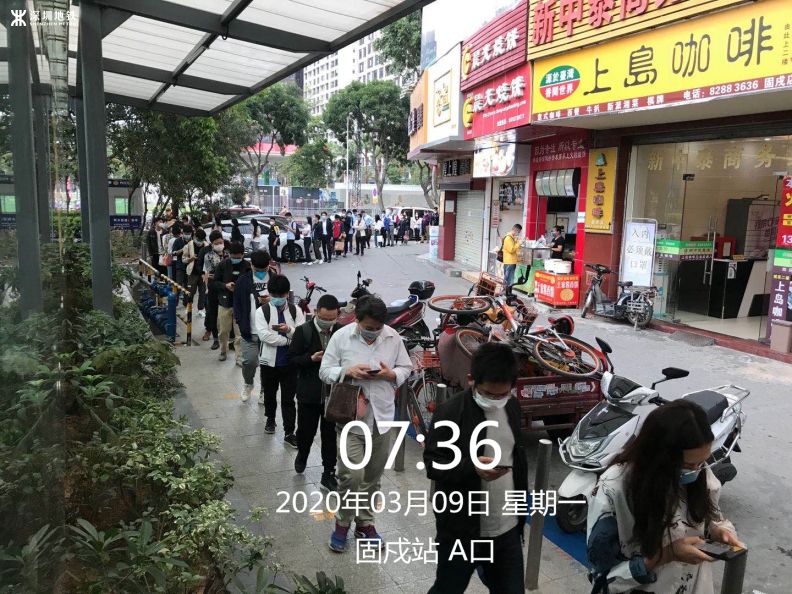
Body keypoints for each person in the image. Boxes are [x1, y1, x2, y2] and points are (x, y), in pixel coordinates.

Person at [587, 399, 742, 593]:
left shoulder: (699, 472)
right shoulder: (614, 488)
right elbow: (602, 580)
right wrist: (666, 555)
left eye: (701, 463)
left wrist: (719, 531)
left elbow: (710, 518)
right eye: (687, 465)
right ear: (658, 456)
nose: (695, 471)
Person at [424, 342, 528, 594]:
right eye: (488, 394)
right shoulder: (451, 412)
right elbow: (433, 464)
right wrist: (472, 468)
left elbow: (517, 457)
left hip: (506, 528)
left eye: (502, 394)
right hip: (461, 530)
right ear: (472, 380)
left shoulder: (512, 407)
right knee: (448, 588)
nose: (496, 401)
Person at [319, 296, 412, 553]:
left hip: (382, 418)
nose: (374, 332)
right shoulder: (341, 337)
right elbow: (324, 370)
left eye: (378, 327)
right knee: (351, 475)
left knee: (372, 477)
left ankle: (365, 524)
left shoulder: (392, 337)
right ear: (357, 320)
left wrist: (391, 374)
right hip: (351, 418)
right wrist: (347, 371)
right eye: (369, 327)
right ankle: (342, 523)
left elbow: (406, 368)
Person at [289, 293, 342, 491]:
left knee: (330, 436)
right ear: (316, 312)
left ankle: (328, 472)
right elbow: (292, 359)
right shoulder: (303, 331)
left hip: (334, 395)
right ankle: (302, 454)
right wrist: (310, 359)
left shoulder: (341, 332)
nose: (328, 322)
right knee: (306, 432)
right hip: (309, 394)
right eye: (324, 318)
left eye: (331, 319)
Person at [255, 274, 305, 444]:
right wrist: (288, 341)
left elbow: (301, 334)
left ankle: (289, 432)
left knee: (288, 399)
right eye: (274, 295)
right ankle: (270, 419)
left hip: (290, 363)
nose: (277, 298)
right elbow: (264, 336)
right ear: (270, 293)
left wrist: (288, 330)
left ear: (286, 294)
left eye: (281, 295)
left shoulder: (295, 310)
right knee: (269, 394)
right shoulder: (262, 311)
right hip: (268, 362)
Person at [234, 250, 272, 402]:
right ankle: (248, 383)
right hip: (249, 330)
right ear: (251, 265)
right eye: (258, 269)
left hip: (269, 332)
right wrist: (240, 322)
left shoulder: (275, 279)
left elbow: (284, 300)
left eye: (264, 269)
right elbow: (237, 303)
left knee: (267, 364)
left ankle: (264, 389)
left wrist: (271, 301)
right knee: (249, 361)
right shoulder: (243, 281)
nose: (261, 272)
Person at [212, 241, 250, 363]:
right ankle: (223, 351)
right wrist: (225, 286)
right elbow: (214, 283)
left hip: (241, 304)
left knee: (240, 333)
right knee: (223, 331)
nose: (235, 259)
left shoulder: (247, 266)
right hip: (225, 303)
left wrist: (241, 288)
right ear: (229, 254)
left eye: (238, 257)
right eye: (233, 257)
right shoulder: (223, 264)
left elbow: (252, 284)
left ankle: (239, 356)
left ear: (243, 254)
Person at [202, 230, 226, 348]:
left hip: (227, 287)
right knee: (213, 312)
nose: (219, 245)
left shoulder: (228, 253)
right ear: (212, 244)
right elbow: (210, 273)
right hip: (214, 287)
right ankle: (215, 339)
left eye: (221, 242)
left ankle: (229, 340)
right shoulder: (208, 256)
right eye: (216, 243)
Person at [183, 227, 208, 315]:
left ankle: (200, 309)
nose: (199, 242)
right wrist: (191, 258)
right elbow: (183, 259)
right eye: (198, 239)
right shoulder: (188, 245)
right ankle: (188, 307)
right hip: (192, 272)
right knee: (191, 291)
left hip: (203, 273)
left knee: (202, 291)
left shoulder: (207, 246)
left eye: (201, 240)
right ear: (194, 237)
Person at [501, 224, 522, 288]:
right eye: (519, 232)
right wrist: (519, 243)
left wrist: (516, 241)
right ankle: (506, 291)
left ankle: (506, 291)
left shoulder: (511, 237)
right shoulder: (508, 238)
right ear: (516, 230)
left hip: (511, 261)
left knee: (508, 279)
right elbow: (511, 250)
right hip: (509, 262)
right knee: (509, 279)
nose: (518, 234)